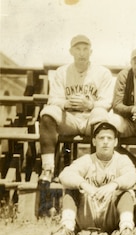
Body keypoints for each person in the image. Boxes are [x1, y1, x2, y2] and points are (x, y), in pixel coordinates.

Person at [39, 34, 114, 182]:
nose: (81, 53)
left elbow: (107, 103)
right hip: (70, 119)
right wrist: (67, 103)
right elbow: (53, 99)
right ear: (71, 52)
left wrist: (90, 105)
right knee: (47, 113)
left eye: (85, 49)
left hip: (90, 119)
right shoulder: (62, 72)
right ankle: (47, 168)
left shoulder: (102, 72)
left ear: (90, 52)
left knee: (100, 114)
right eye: (77, 49)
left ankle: (97, 170)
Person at [51, 122, 136, 235]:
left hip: (111, 213)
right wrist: (84, 184)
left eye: (109, 138)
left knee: (127, 193)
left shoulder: (122, 160)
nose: (105, 142)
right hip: (88, 212)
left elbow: (132, 176)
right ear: (94, 141)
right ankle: (67, 227)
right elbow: (64, 175)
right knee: (71, 189)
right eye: (101, 138)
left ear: (116, 142)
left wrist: (113, 184)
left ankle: (126, 228)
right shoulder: (87, 160)